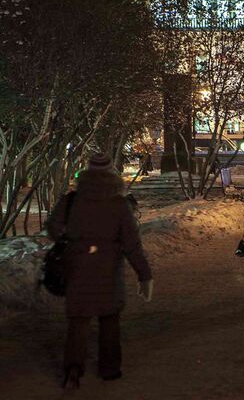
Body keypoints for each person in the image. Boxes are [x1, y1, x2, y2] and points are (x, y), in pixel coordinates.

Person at [48, 152, 153, 390]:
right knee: (109, 321)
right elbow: (131, 244)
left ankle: (73, 370)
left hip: (77, 267)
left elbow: (53, 226)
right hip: (108, 270)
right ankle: (109, 369)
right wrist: (144, 274)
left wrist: (70, 242)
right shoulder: (118, 204)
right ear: (110, 172)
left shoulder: (72, 200)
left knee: (78, 321)